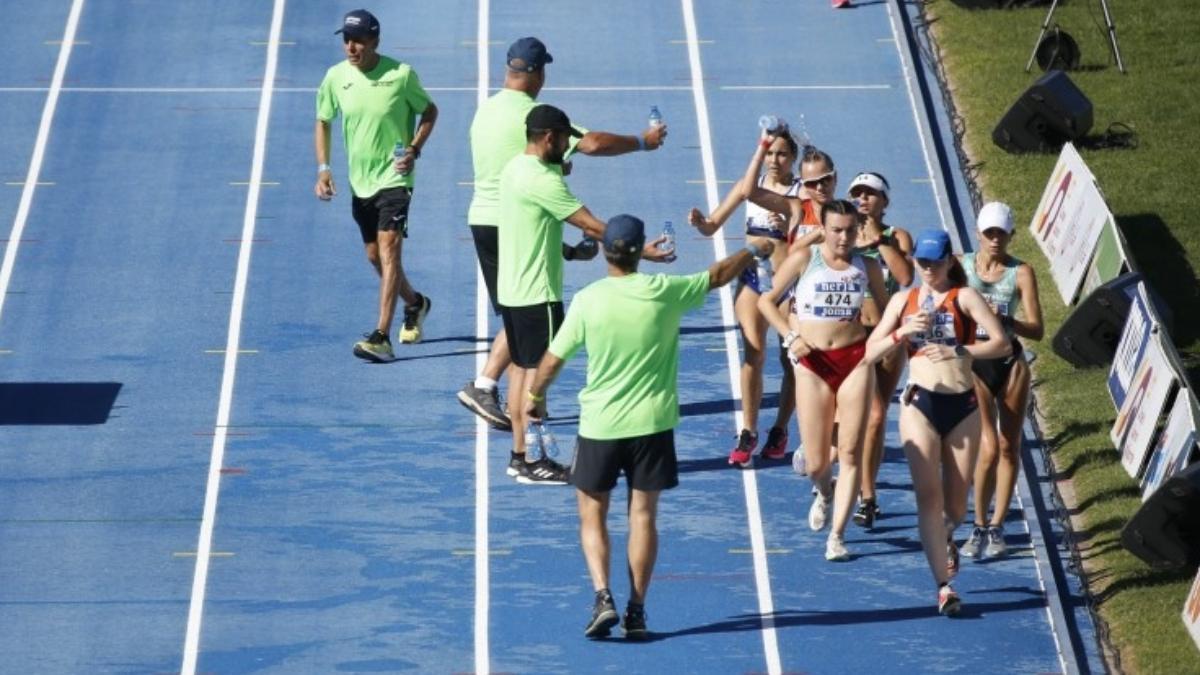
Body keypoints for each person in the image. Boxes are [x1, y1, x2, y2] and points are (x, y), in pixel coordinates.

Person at [525, 214, 775, 639]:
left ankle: (603, 595)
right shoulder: (664, 291)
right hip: (653, 426)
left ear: (606, 251)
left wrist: (534, 399)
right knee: (642, 517)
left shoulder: (589, 299)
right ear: (641, 250)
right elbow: (716, 276)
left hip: (601, 425)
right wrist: (752, 249)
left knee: (592, 514)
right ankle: (636, 610)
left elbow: (550, 361)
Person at [457, 37, 668, 430]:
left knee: (519, 313)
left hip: (485, 219)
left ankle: (491, 388)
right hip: (516, 222)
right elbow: (592, 143)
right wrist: (643, 141)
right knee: (530, 314)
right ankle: (517, 411)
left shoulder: (484, 111)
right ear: (537, 73)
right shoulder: (537, 117)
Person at [498, 104, 670, 485]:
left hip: (511, 289)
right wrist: (641, 250)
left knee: (520, 371)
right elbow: (592, 225)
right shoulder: (544, 180)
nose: (567, 146)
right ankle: (533, 458)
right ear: (548, 139)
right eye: (563, 140)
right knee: (536, 376)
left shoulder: (514, 168)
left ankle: (519, 454)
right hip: (536, 291)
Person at [862, 228, 1010, 616]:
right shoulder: (902, 299)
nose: (928, 268)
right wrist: (900, 333)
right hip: (919, 404)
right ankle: (943, 587)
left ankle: (945, 535)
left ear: (949, 261)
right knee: (928, 497)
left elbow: (1002, 343)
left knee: (956, 508)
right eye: (922, 262)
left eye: (935, 261)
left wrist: (959, 348)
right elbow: (868, 352)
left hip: (963, 407)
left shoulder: (965, 297)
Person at [758, 200, 887, 562]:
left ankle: (838, 537)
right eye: (836, 230)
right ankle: (825, 492)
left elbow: (889, 307)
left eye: (849, 230)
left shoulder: (868, 266)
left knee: (849, 452)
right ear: (824, 229)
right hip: (812, 362)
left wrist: (882, 342)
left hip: (855, 361)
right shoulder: (805, 259)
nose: (843, 237)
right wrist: (789, 336)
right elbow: (766, 303)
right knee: (816, 464)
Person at [314, 9, 439, 362]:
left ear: (375, 42)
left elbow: (429, 111)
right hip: (361, 182)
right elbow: (323, 120)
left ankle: (381, 336)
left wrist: (414, 149)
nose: (351, 47)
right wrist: (324, 168)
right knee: (375, 258)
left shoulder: (401, 76)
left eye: (359, 41)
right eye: (347, 40)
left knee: (389, 250)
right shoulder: (336, 78)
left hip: (395, 178)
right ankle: (415, 303)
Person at [687, 128, 801, 466]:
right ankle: (748, 431)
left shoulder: (799, 195)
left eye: (781, 154)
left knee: (790, 358)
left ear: (792, 157)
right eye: (769, 153)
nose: (774, 160)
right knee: (753, 353)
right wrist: (698, 222)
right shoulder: (748, 185)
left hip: (786, 284)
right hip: (753, 280)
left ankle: (780, 428)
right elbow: (711, 226)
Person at [958, 202, 1044, 560]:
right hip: (977, 363)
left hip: (1010, 364)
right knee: (989, 448)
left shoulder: (1021, 272)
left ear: (1011, 235)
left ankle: (997, 526)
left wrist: (1005, 320)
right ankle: (977, 525)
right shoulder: (962, 266)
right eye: (989, 233)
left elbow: (1037, 330)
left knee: (1010, 447)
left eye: (1002, 234)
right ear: (978, 233)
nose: (995, 240)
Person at [846, 172, 915, 529]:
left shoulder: (897, 235)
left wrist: (879, 241)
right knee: (850, 416)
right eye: (857, 194)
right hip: (853, 336)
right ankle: (845, 472)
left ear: (884, 201)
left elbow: (905, 277)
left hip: (889, 335)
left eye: (870, 194)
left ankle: (867, 496)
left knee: (875, 416)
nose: (863, 199)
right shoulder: (843, 232)